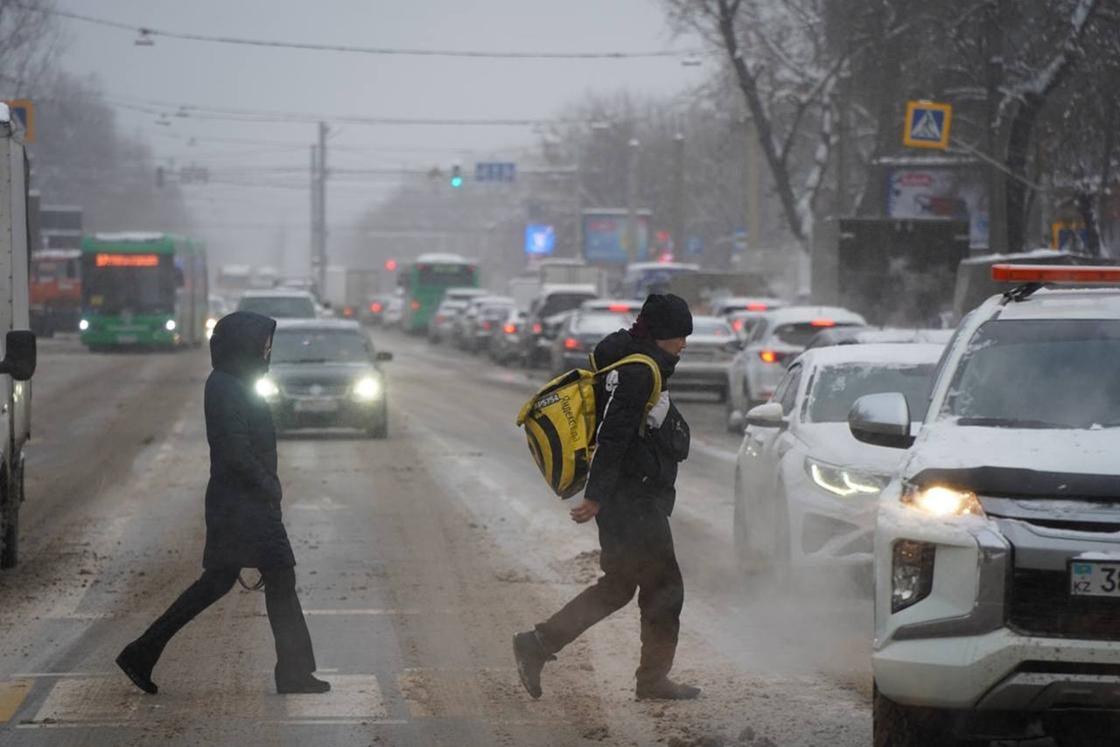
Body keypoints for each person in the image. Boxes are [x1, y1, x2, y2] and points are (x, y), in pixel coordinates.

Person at [115, 311, 329, 695]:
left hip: (238, 503)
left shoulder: (235, 382)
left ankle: (142, 652)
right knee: (278, 580)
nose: (267, 352)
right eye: (262, 345)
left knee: (218, 583)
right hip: (243, 505)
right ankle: (293, 672)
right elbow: (235, 449)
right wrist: (268, 486)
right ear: (244, 345)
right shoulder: (227, 386)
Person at [514, 293, 699, 701]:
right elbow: (613, 436)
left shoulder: (624, 356)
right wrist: (595, 497)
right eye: (679, 336)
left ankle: (539, 644)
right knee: (667, 589)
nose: (684, 344)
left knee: (620, 586)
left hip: (627, 496)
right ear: (661, 334)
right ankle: (652, 680)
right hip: (632, 499)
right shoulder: (640, 372)